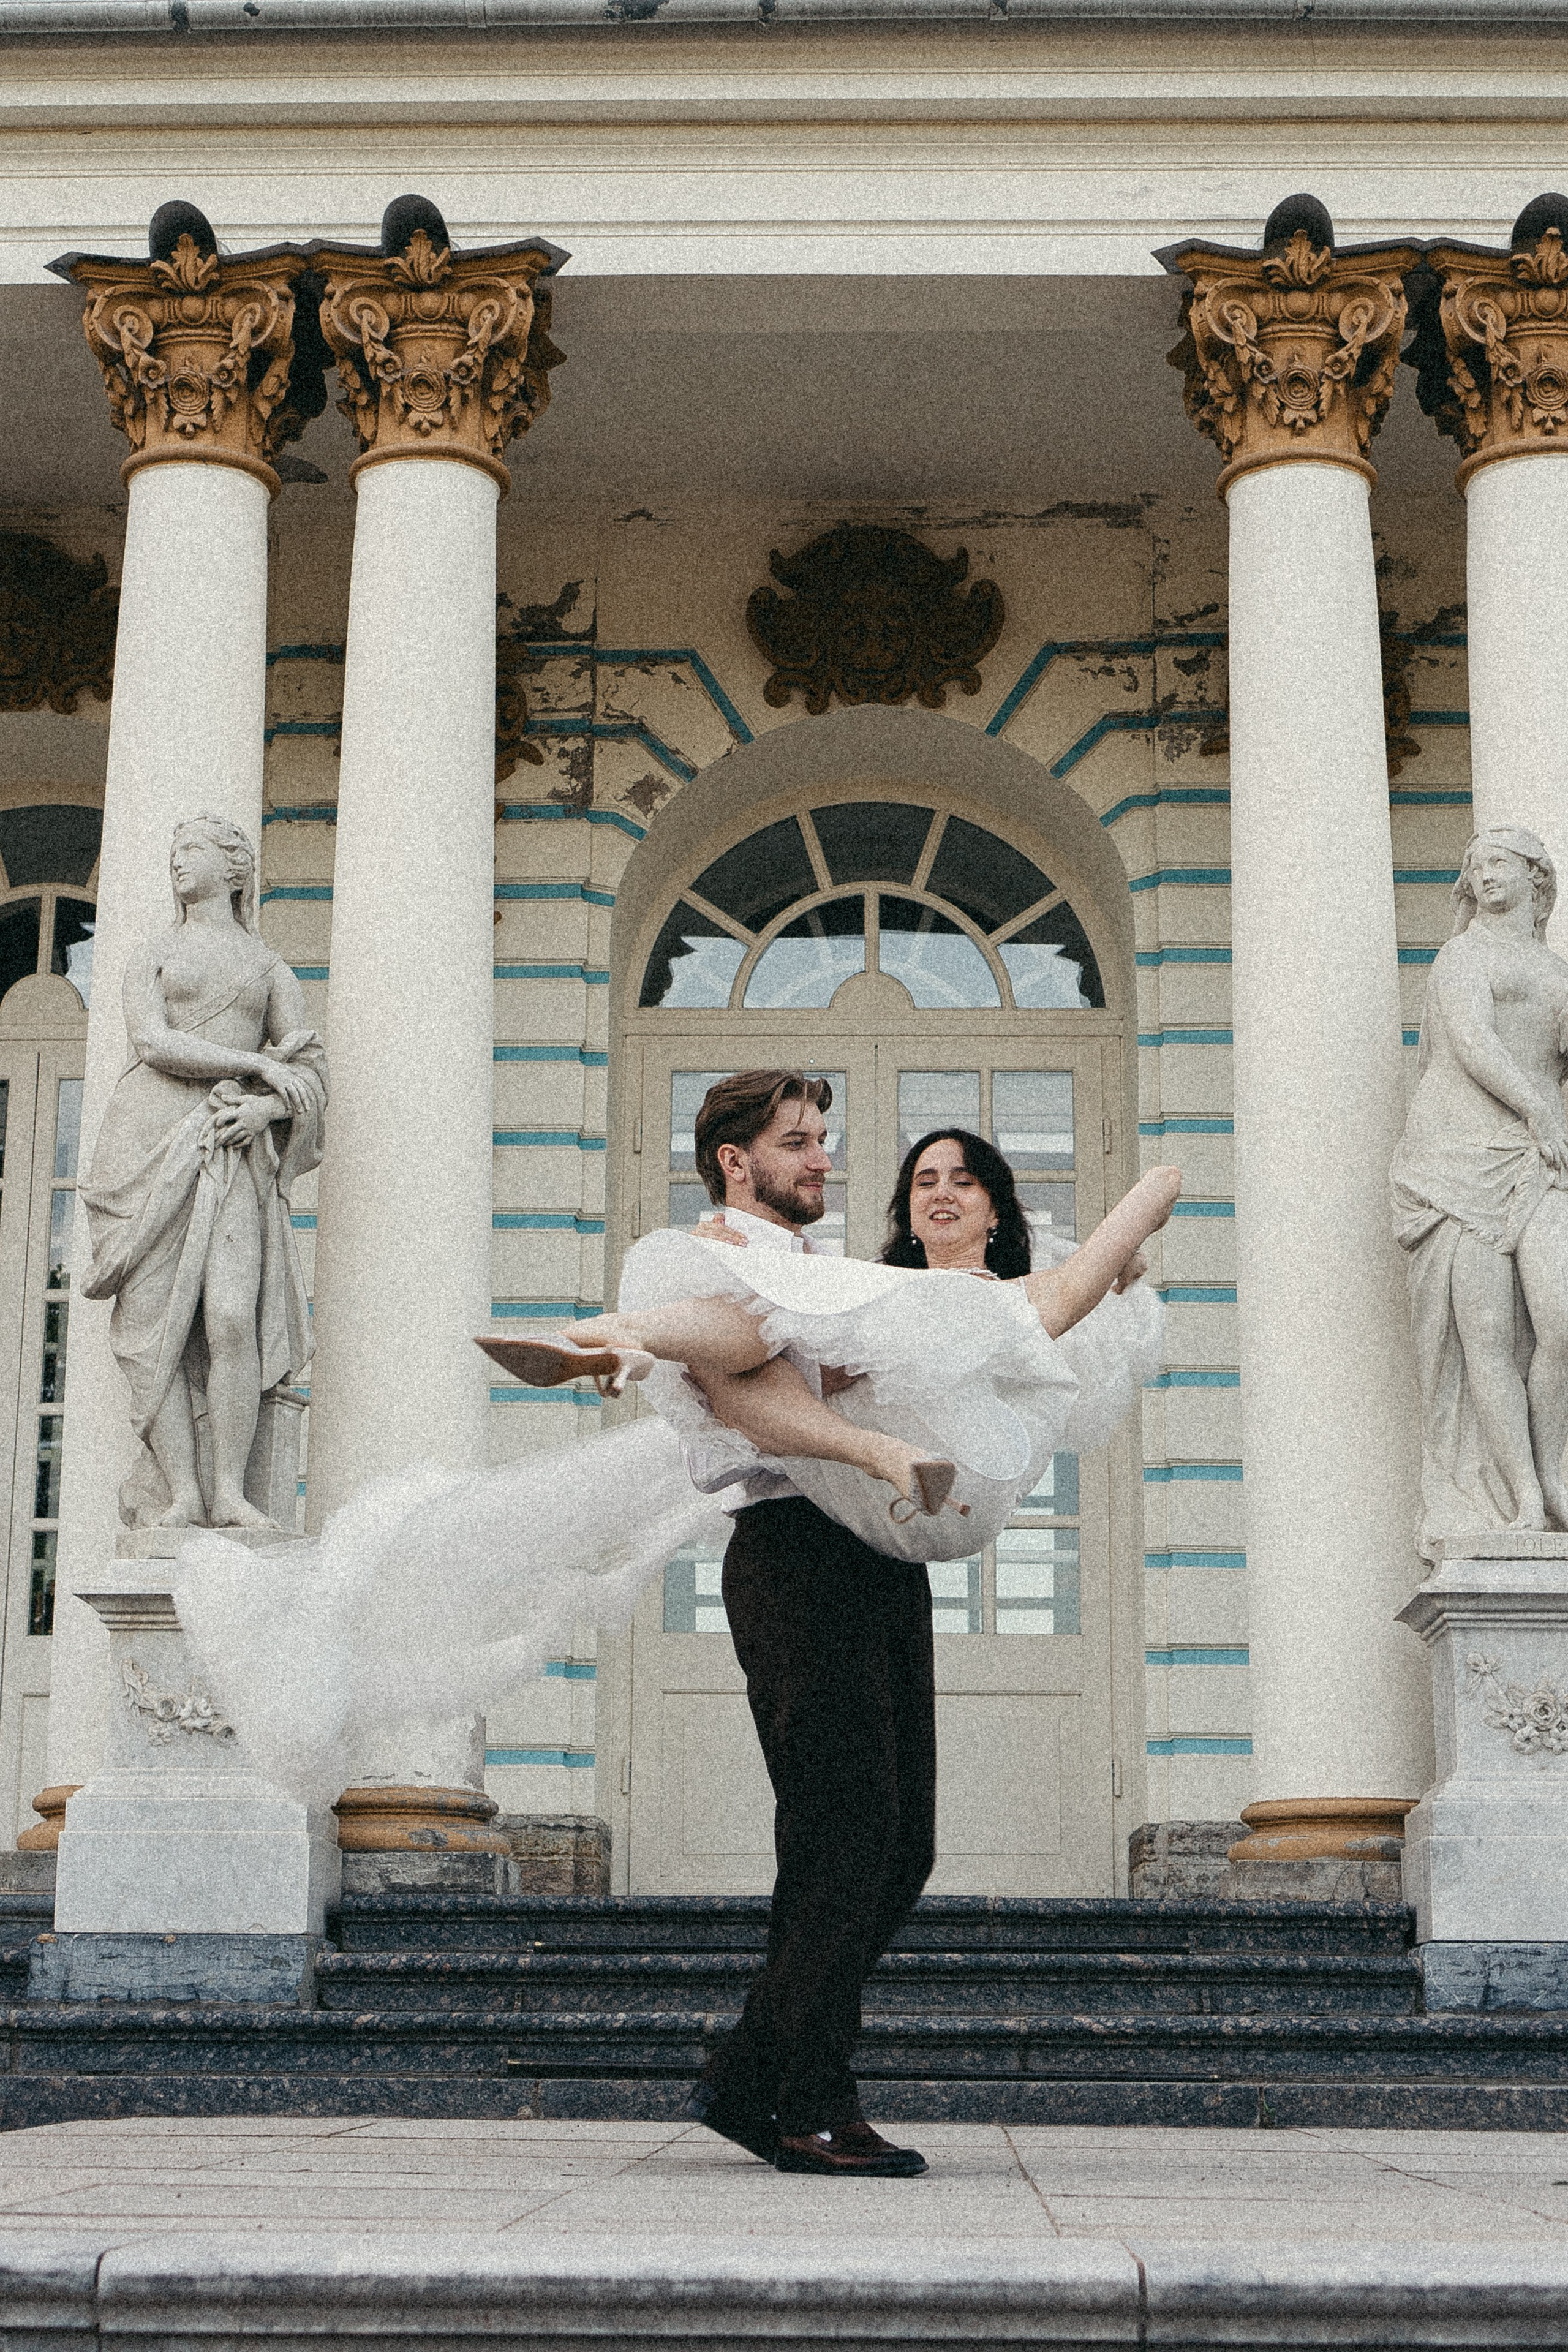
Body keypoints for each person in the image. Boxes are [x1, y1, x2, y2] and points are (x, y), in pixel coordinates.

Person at [479, 1071, 1173, 2178]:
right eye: (800, 1144)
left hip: (870, 1556)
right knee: (844, 1837)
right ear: (735, 1160)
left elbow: (972, 1318)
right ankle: (790, 2094)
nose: (824, 1162)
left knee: (900, 1845)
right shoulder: (717, 1256)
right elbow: (752, 1389)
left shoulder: (813, 1272)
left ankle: (783, 2079)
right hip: (795, 1553)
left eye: (823, 1142)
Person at [80, 815, 326, 1529]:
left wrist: (264, 1112)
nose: (176, 862)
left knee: (229, 1318)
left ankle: (229, 1491)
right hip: (147, 1143)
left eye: (190, 850)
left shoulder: (269, 967)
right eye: (174, 850)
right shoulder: (152, 954)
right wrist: (254, 1065)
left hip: (230, 1147)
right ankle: (183, 1493)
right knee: (157, 1330)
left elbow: (309, 1068)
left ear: (235, 870)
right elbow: (153, 1041)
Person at [1392, 824, 1568, 1556]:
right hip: (1459, 1156)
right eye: (1476, 865)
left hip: (1538, 1158)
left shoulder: (1556, 967)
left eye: (1499, 862)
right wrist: (1535, 1107)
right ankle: (1524, 1500)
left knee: (1558, 1320)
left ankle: (1555, 1473)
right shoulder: (1463, 955)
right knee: (1486, 1339)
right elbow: (1471, 1040)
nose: (1485, 873)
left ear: (1535, 876)